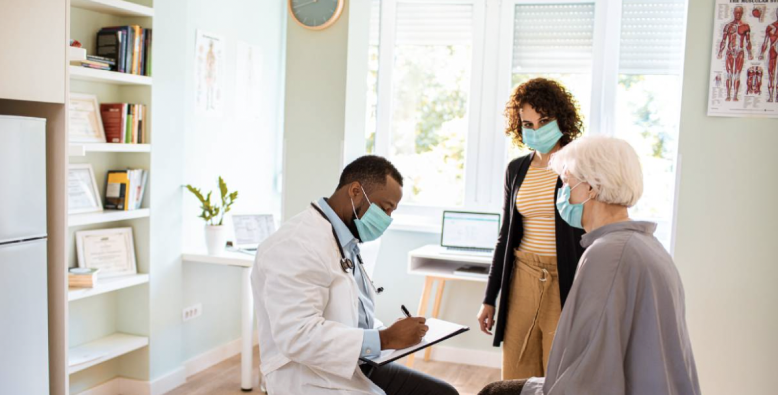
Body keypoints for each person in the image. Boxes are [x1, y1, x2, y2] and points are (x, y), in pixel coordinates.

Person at [478, 136, 700, 395]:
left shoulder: (608, 255)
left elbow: (590, 372)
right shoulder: (646, 245)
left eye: (565, 182)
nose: (562, 193)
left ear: (591, 187)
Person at [251, 155, 459, 395]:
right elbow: (297, 336)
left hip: (355, 363)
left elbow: (350, 312)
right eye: (384, 208)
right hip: (307, 375)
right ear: (356, 191)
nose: (388, 219)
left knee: (445, 393)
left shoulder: (345, 239)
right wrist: (385, 339)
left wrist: (388, 332)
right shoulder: (296, 244)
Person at [476, 78, 586, 380]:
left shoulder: (579, 165)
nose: (536, 130)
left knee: (558, 369)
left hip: (565, 279)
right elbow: (505, 236)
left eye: (544, 121)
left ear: (561, 119)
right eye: (528, 123)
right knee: (516, 367)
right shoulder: (516, 169)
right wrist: (489, 298)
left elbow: (590, 232)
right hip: (522, 276)